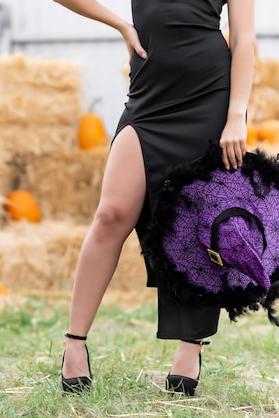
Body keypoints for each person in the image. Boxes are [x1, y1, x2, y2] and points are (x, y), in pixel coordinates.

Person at [53, 0, 256, 395]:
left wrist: (237, 116)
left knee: (199, 222)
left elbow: (245, 39)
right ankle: (74, 344)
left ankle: (189, 349)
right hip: (149, 95)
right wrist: (121, 25)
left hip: (209, 94)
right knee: (111, 214)